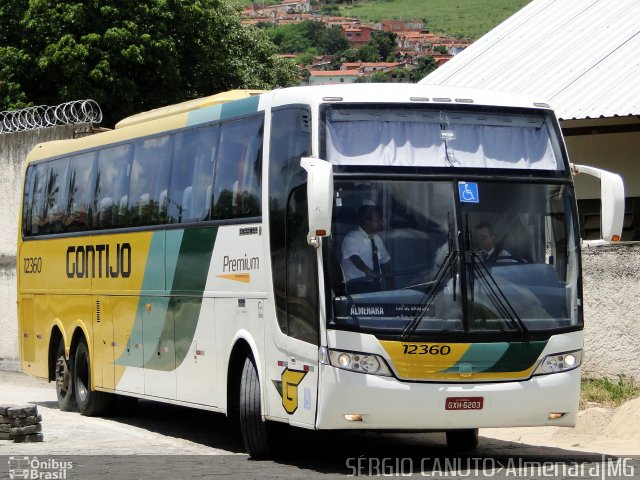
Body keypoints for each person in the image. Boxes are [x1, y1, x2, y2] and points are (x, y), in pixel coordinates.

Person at [341, 205, 391, 286]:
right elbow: (354, 258)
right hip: (356, 286)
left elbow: (384, 262)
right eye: (378, 221)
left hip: (376, 285)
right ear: (367, 222)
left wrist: (390, 284)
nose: (381, 223)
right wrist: (368, 271)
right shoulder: (351, 239)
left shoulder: (377, 239)